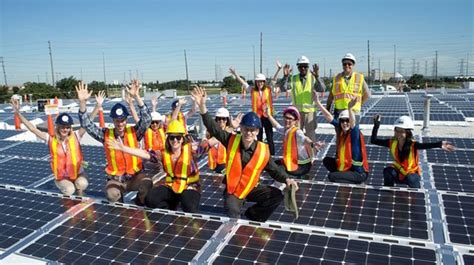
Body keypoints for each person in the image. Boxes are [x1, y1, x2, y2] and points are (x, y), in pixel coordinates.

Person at [191, 86, 299, 222]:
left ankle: (250, 216)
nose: (249, 133)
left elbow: (274, 169)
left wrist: (287, 179)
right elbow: (213, 127)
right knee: (233, 212)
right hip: (233, 190)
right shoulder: (230, 140)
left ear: (257, 132)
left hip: (250, 188)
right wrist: (202, 106)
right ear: (241, 128)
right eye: (246, 129)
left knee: (276, 195)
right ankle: (239, 219)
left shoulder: (263, 150)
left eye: (252, 130)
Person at [10, 84, 103, 196]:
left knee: (82, 184)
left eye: (67, 127)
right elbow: (32, 129)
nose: (65, 129)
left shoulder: (76, 136)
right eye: (63, 126)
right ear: (58, 127)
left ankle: (80, 200)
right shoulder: (51, 139)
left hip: (78, 173)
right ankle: (67, 202)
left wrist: (98, 106)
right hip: (62, 177)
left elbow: (88, 121)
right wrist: (18, 114)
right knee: (69, 190)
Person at [78, 79, 152, 205]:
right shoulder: (105, 135)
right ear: (113, 120)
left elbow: (147, 119)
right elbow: (86, 123)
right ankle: (120, 206)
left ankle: (139, 202)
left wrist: (137, 96)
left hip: (135, 177)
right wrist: (82, 103)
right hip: (116, 180)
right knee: (111, 195)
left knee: (147, 184)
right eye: (117, 120)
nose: (120, 123)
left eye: (123, 120)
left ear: (126, 120)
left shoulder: (135, 132)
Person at [108, 120, 201, 213]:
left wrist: (204, 112)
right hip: (172, 187)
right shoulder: (164, 154)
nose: (175, 140)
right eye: (172, 137)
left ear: (182, 139)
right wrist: (123, 148)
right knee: (150, 200)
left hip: (190, 187)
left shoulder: (192, 151)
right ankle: (171, 206)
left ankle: (184, 200)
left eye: (178, 137)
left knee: (189, 206)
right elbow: (145, 154)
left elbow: (211, 141)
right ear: (168, 139)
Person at [371, 115, 455, 188]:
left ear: (407, 133)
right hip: (399, 172)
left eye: (401, 131)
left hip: (411, 174)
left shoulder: (412, 145)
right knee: (388, 171)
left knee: (410, 178)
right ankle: (388, 192)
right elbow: (373, 140)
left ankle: (417, 192)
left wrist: (439, 144)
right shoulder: (392, 143)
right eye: (396, 130)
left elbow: (425, 145)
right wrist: (376, 125)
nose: (398, 133)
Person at [315, 92, 369, 184]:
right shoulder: (341, 130)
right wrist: (317, 102)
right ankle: (343, 174)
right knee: (326, 160)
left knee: (332, 176)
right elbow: (329, 118)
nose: (344, 123)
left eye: (347, 120)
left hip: (358, 173)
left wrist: (350, 108)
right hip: (348, 166)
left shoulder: (354, 133)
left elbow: (353, 124)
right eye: (342, 121)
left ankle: (349, 179)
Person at [266, 106, 324, 178]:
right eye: (286, 117)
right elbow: (277, 127)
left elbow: (305, 139)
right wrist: (269, 116)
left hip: (301, 167)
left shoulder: (297, 132)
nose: (287, 120)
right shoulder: (287, 130)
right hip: (296, 163)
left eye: (290, 118)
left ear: (296, 121)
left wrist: (313, 144)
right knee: (273, 164)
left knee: (275, 170)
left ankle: (289, 179)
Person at [278, 56, 326, 144]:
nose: (303, 68)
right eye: (300, 66)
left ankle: (311, 156)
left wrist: (318, 77)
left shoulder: (313, 77)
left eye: (305, 66)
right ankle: (298, 155)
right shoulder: (293, 78)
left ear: (308, 67)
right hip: (297, 113)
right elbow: (283, 88)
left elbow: (322, 89)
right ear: (298, 67)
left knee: (310, 135)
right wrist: (285, 77)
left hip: (310, 112)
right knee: (296, 134)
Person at [229, 68, 276, 155]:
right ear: (256, 82)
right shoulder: (252, 90)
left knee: (270, 137)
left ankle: (272, 155)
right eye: (258, 81)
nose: (260, 83)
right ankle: (260, 154)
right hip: (257, 118)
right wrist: (236, 74)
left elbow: (274, 80)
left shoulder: (268, 89)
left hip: (267, 117)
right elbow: (243, 83)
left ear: (264, 82)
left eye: (261, 81)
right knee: (259, 137)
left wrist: (278, 69)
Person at [326, 53, 371, 120]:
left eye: (349, 64)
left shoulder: (359, 77)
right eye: (344, 64)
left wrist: (358, 104)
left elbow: (367, 95)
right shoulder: (336, 78)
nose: (347, 66)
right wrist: (327, 110)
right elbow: (330, 96)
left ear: (353, 65)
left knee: (353, 130)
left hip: (354, 112)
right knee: (340, 130)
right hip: (339, 112)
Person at [200, 107, 234, 173]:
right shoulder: (209, 132)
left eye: (224, 119)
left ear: (227, 120)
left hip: (225, 164)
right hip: (212, 164)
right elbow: (204, 145)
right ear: (216, 120)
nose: (221, 121)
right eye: (219, 119)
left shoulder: (230, 133)